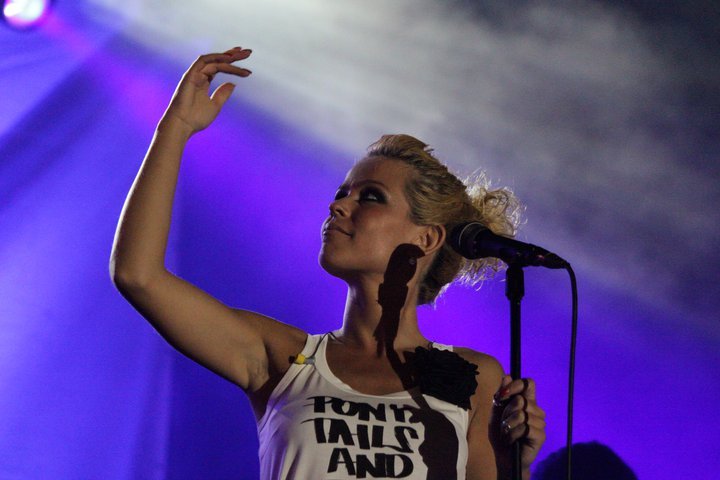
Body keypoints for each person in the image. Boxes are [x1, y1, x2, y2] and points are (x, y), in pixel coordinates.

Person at [110, 47, 546, 480]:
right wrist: (175, 128)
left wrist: (517, 465)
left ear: (426, 238)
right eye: (342, 194)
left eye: (370, 197)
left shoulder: (473, 375)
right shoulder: (282, 357)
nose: (339, 206)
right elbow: (138, 275)